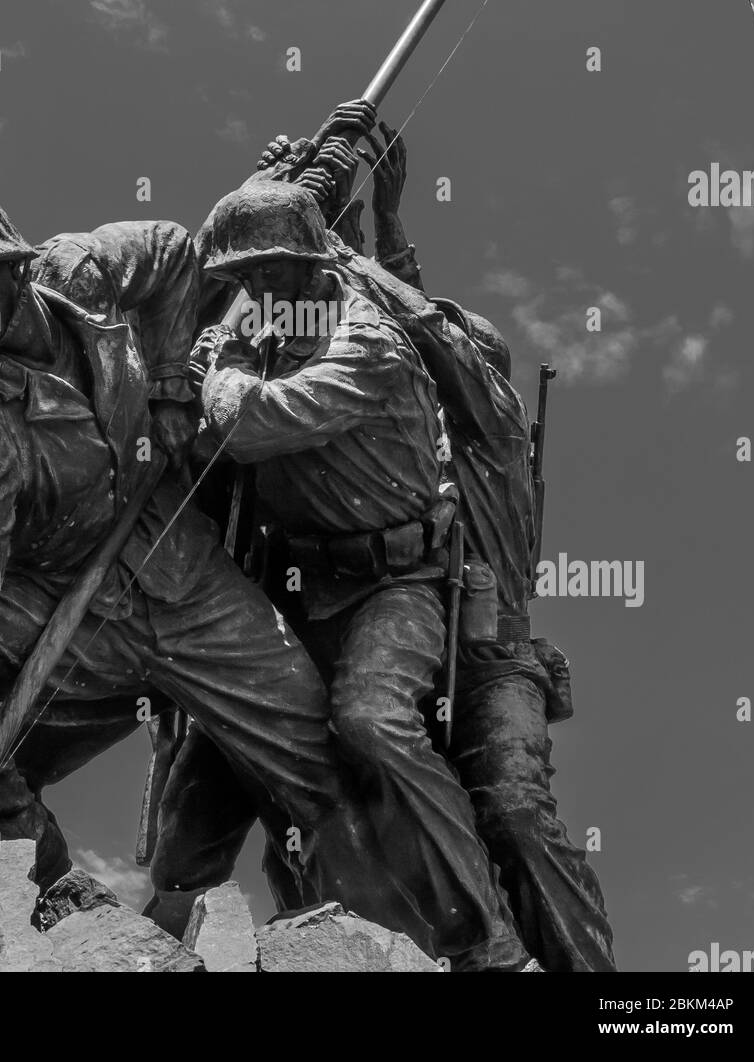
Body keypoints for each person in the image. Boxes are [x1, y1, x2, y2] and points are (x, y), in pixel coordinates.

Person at [0, 182, 433, 937]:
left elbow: (177, 256)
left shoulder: (84, 272)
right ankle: (47, 886)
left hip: (190, 585)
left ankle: (387, 946)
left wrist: (167, 383)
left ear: (12, 263)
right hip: (62, 603)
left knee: (317, 771)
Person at [187, 177, 537, 971]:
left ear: (313, 260)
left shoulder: (369, 338)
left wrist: (228, 364)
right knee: (235, 747)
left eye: (269, 271)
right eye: (242, 278)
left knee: (372, 722)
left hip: (397, 582)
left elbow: (249, 423)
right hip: (298, 581)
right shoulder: (274, 319)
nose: (254, 290)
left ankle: (487, 935)